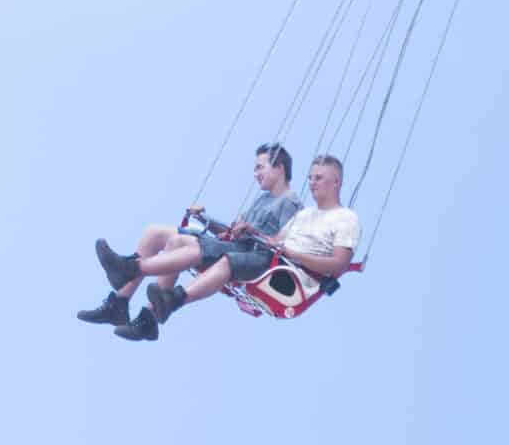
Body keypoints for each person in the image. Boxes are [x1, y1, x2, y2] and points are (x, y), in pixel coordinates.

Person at [113, 151, 359, 341]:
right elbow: (274, 240)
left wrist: (293, 254)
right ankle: (138, 282)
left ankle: (152, 285)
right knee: (192, 245)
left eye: (319, 178)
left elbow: (339, 264)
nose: (312, 183)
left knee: (227, 262)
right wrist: (253, 231)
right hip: (269, 255)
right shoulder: (305, 215)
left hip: (289, 276)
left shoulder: (346, 218)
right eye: (311, 177)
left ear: (335, 182)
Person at [77, 144, 301, 331]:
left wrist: (252, 231)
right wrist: (205, 219)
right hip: (231, 245)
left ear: (279, 168)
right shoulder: (262, 200)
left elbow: (282, 244)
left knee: (176, 243)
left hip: (248, 258)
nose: (255, 174)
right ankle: (120, 303)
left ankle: (141, 299)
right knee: (154, 233)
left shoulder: (290, 202)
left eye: (259, 168)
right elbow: (233, 233)